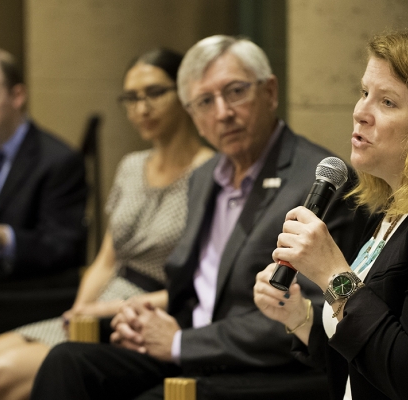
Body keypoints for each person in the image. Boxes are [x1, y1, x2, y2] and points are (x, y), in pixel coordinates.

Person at [30, 35, 367, 400]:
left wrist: (179, 342)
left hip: (268, 369)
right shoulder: (204, 177)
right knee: (67, 362)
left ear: (270, 92)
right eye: (205, 101)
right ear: (192, 114)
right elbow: (198, 289)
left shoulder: (317, 185)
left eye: (235, 92)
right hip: (195, 348)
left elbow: (318, 316)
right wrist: (142, 318)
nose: (222, 112)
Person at [253, 28, 408, 400]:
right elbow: (363, 361)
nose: (360, 112)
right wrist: (299, 317)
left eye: (388, 102)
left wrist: (333, 275)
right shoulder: (393, 213)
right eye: (364, 93)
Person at [0, 48, 214, 400]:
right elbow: (106, 259)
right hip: (102, 303)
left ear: (185, 93)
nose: (142, 108)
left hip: (150, 315)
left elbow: (205, 284)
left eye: (154, 93)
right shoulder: (132, 166)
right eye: (132, 98)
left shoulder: (211, 172)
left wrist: (106, 311)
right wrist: (80, 313)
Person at [0, 47, 86, 285]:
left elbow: (61, 249)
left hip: (15, 290)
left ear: (17, 96)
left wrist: (0, 237)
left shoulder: (58, 161)